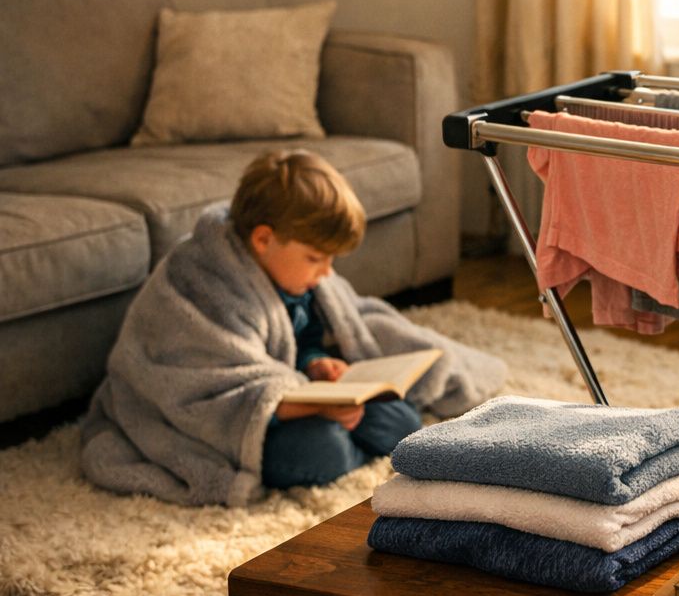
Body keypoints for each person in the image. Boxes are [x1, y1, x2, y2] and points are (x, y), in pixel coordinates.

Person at [81, 149, 508, 506]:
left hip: (298, 397)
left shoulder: (292, 279)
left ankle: (349, 435)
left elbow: (300, 342)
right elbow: (213, 390)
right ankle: (345, 444)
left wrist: (318, 364)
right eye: (315, 258)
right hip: (233, 423)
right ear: (264, 239)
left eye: (332, 261)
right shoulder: (202, 281)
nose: (326, 274)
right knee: (322, 449)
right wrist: (315, 406)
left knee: (402, 418)